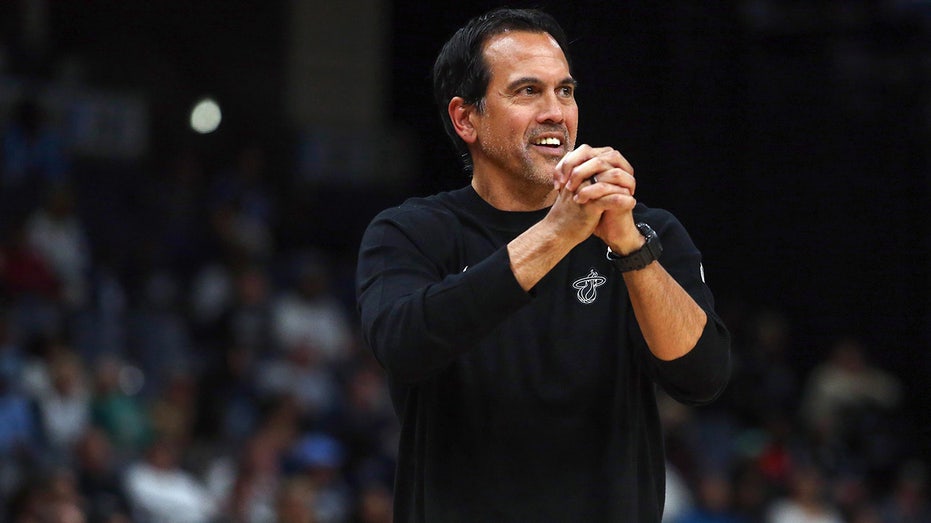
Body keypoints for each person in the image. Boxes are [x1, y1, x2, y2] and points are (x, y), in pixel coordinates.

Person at [355, 7, 731, 522]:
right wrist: (557, 233)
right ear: (466, 118)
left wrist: (631, 248)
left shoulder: (646, 231)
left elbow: (703, 377)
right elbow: (402, 345)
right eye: (528, 91)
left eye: (565, 91)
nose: (555, 112)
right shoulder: (410, 232)